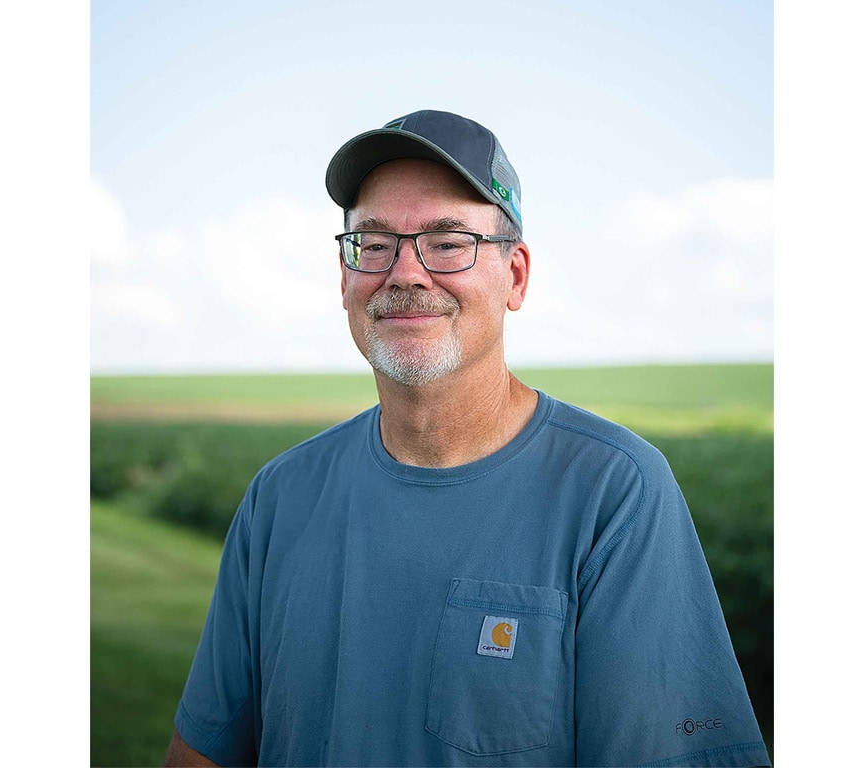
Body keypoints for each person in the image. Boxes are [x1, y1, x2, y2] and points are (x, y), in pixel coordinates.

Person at [165, 110, 770, 767]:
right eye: (374, 243)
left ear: (516, 276)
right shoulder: (281, 497)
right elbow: (203, 753)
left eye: (448, 242)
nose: (405, 272)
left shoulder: (613, 492)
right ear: (344, 277)